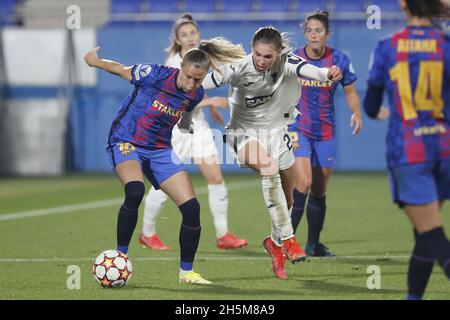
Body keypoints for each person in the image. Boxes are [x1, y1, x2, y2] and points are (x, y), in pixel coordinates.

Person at [83, 37, 246, 284]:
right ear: (181, 67)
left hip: (159, 149)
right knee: (135, 191)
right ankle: (120, 256)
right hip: (126, 140)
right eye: (188, 77)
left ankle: (187, 273)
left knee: (192, 209)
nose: (191, 84)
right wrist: (95, 62)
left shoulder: (196, 93)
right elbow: (121, 70)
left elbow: (188, 109)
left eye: (198, 80)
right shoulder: (155, 75)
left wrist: (186, 125)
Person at [202, 26, 343, 279]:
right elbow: (205, 81)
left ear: (278, 53)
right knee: (268, 167)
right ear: (252, 49)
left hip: (277, 133)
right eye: (257, 54)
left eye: (268, 56)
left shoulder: (287, 62)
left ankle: (275, 246)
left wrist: (327, 73)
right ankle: (289, 239)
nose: (261, 61)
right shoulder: (238, 68)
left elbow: (310, 71)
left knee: (288, 201)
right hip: (242, 134)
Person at [364, 0, 450, 300]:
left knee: (431, 234)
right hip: (444, 148)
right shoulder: (445, 45)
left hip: (410, 151)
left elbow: (371, 105)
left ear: (404, 6)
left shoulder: (388, 47)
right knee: (424, 235)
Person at [139, 14, 248, 251]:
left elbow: (196, 89)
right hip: (175, 130)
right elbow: (176, 100)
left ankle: (223, 235)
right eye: (184, 35)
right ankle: (147, 233)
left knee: (216, 178)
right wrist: (211, 103)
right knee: (164, 184)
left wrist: (209, 107)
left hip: (197, 127)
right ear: (177, 40)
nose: (190, 38)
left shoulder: (200, 58)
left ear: (199, 35)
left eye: (193, 33)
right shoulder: (174, 62)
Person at [288, 11, 362, 257]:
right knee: (304, 183)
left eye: (318, 30)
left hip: (325, 131)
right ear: (305, 33)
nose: (313, 35)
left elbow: (351, 92)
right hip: (299, 129)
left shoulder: (339, 59)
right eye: (309, 30)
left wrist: (357, 114)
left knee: (319, 190)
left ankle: (312, 245)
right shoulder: (295, 59)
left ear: (327, 33)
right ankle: (286, 244)